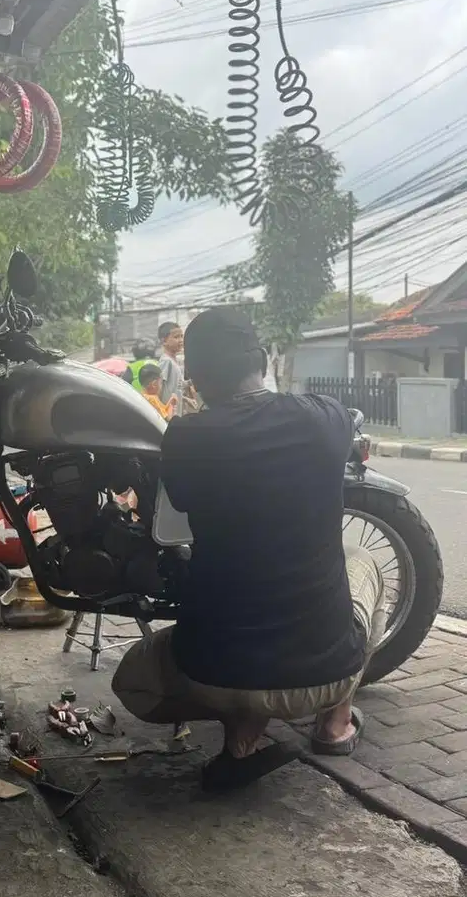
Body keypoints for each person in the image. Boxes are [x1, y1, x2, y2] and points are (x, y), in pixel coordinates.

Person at [112, 306, 386, 790]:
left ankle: (240, 743)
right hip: (326, 673)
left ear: (195, 378)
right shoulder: (325, 417)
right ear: (261, 360)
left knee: (133, 680)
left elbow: (181, 507)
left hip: (214, 675)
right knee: (362, 563)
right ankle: (335, 723)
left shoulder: (186, 436)